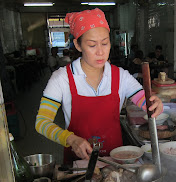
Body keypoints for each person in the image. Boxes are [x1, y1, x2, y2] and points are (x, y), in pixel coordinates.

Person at [35, 8, 163, 165]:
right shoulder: (62, 79)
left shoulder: (121, 76)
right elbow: (42, 122)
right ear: (78, 45)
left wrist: (154, 104)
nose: (101, 52)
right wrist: (70, 139)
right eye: (92, 45)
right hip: (78, 165)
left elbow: (145, 102)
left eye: (105, 43)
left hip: (115, 162)